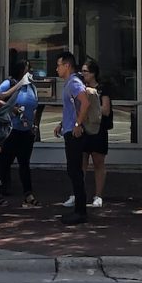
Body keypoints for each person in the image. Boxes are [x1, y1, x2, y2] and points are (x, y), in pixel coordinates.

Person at [0, 58, 39, 208]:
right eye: (27, 69)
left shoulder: (32, 87)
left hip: (26, 130)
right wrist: (11, 107)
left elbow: (35, 106)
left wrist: (34, 124)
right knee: (4, 162)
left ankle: (28, 194)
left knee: (24, 163)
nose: (29, 71)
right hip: (11, 129)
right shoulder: (9, 83)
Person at [55, 49, 91, 225]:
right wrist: (62, 125)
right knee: (73, 170)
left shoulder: (73, 83)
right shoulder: (70, 83)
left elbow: (85, 102)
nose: (57, 69)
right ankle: (78, 209)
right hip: (69, 130)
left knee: (75, 171)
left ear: (67, 65)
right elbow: (73, 107)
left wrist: (77, 124)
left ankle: (80, 211)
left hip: (75, 134)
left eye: (59, 65)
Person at [81, 57, 112, 208]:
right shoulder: (80, 87)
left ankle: (98, 195)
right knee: (81, 161)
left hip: (99, 129)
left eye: (85, 71)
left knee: (98, 162)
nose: (83, 74)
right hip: (83, 128)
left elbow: (106, 110)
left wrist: (92, 105)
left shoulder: (102, 89)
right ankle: (78, 194)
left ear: (93, 73)